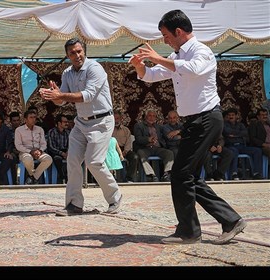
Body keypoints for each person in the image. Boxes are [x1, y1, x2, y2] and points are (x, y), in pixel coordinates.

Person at [128, 9, 246, 245]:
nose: (164, 40)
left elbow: (191, 69)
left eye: (165, 35)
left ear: (178, 31)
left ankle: (189, 231)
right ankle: (231, 220)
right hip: (194, 121)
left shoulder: (201, 51)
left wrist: (159, 58)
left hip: (207, 119)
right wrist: (139, 66)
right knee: (188, 176)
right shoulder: (177, 56)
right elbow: (151, 75)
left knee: (181, 174)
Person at [40, 37, 123, 216]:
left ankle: (115, 198)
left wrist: (60, 94)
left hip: (101, 121)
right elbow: (62, 102)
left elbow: (87, 95)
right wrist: (52, 95)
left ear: (84, 51)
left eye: (79, 51)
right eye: (72, 53)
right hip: (81, 122)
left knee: (94, 162)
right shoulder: (67, 73)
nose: (76, 55)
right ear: (67, 55)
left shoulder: (95, 68)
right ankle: (74, 204)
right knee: (72, 160)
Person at [223, 108, 263, 180]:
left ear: (236, 116)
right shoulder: (224, 125)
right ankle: (234, 173)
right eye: (229, 115)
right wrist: (239, 134)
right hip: (231, 146)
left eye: (233, 115)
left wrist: (234, 135)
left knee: (257, 150)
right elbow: (227, 132)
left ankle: (257, 173)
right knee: (233, 151)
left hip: (241, 146)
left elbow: (245, 133)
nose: (231, 117)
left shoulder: (241, 125)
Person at [15, 109, 52, 185]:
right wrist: (30, 151)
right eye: (31, 117)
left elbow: (43, 143)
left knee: (48, 159)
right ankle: (33, 176)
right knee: (28, 159)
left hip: (38, 152)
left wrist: (40, 151)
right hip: (25, 152)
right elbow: (18, 145)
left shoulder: (39, 129)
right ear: (25, 119)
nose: (33, 119)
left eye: (34, 117)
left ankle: (33, 177)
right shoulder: (19, 130)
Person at [112, 110, 139, 182]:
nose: (116, 121)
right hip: (112, 150)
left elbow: (129, 142)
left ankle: (129, 178)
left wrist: (126, 151)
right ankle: (112, 178)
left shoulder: (126, 130)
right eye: (114, 119)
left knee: (134, 157)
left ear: (121, 119)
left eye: (117, 118)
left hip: (124, 150)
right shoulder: (109, 130)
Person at [47, 114, 70, 184]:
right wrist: (61, 153)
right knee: (57, 159)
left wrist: (68, 152)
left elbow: (70, 144)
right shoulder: (52, 132)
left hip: (65, 152)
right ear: (59, 123)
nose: (67, 123)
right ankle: (62, 176)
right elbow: (50, 147)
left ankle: (69, 176)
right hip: (55, 152)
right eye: (65, 122)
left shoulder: (68, 133)